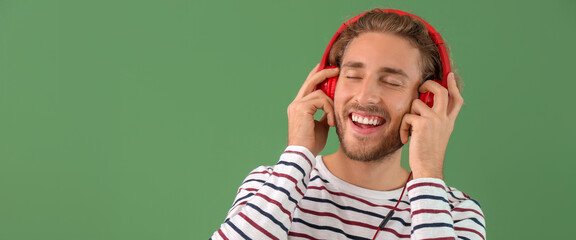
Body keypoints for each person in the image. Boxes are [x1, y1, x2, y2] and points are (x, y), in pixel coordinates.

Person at [211, 9, 485, 240]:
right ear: (328, 86)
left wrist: (428, 174)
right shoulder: (269, 186)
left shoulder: (457, 213)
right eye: (353, 75)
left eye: (391, 82)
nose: (365, 96)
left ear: (426, 101)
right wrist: (297, 155)